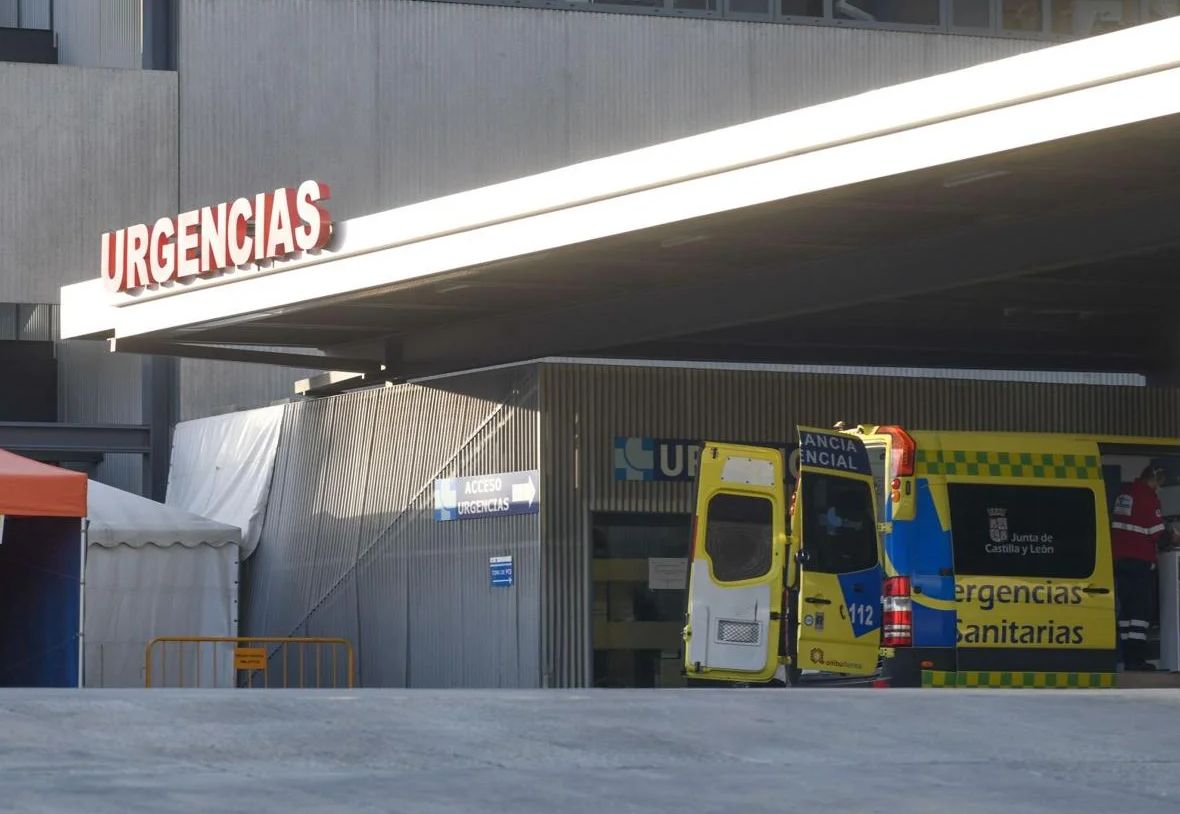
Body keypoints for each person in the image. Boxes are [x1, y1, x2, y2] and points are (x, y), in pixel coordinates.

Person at [1111, 465, 1179, 670]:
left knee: (1126, 614)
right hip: (1139, 562)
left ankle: (1128, 658)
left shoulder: (1124, 494)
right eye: (1159, 483)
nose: (1159, 488)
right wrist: (1174, 538)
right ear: (1154, 479)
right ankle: (1136, 660)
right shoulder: (1148, 497)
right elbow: (1158, 534)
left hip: (1120, 561)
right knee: (1140, 613)